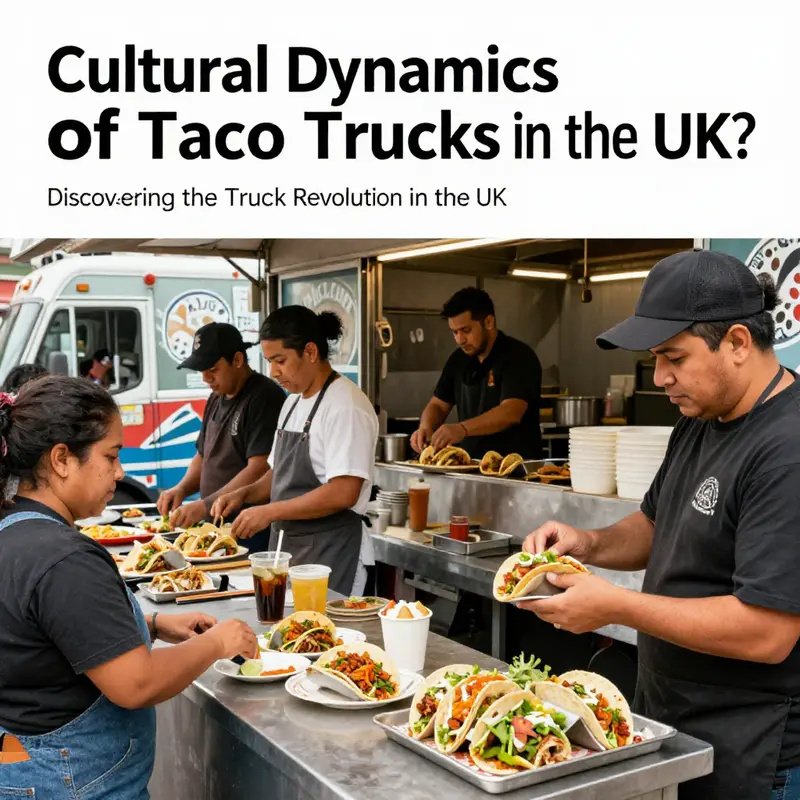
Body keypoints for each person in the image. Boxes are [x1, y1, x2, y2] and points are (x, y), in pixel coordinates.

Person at [519, 250, 800, 800]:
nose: (661, 377)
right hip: (674, 718)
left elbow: (767, 632)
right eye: (655, 358)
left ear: (738, 342)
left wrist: (615, 606)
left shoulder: (786, 449)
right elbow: (655, 524)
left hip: (754, 749)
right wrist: (588, 543)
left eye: (675, 357)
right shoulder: (701, 418)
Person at [0, 375, 256, 797]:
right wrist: (218, 642)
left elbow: (46, 636)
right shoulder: (64, 558)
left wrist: (152, 625)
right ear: (61, 459)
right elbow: (137, 683)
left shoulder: (13, 527)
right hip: (74, 783)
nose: (120, 472)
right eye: (111, 455)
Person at [211, 307, 379, 595]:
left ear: (310, 352)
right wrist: (243, 495)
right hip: (292, 553)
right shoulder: (292, 403)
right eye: (269, 362)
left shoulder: (345, 406)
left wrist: (270, 511)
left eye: (280, 361)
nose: (273, 372)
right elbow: (279, 473)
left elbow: (344, 492)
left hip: (334, 553)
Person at [156, 322, 285, 541]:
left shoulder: (264, 397)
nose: (206, 378)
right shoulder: (216, 397)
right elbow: (203, 455)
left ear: (237, 360)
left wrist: (205, 505)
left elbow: (260, 468)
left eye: (213, 369)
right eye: (202, 370)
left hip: (249, 529)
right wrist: (181, 489)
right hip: (215, 526)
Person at [410, 287, 543, 460]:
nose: (460, 340)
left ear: (489, 322)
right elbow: (438, 405)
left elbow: (510, 412)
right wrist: (425, 427)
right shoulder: (458, 360)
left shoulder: (518, 356)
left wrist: (462, 429)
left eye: (466, 330)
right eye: (455, 332)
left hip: (516, 468)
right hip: (471, 466)